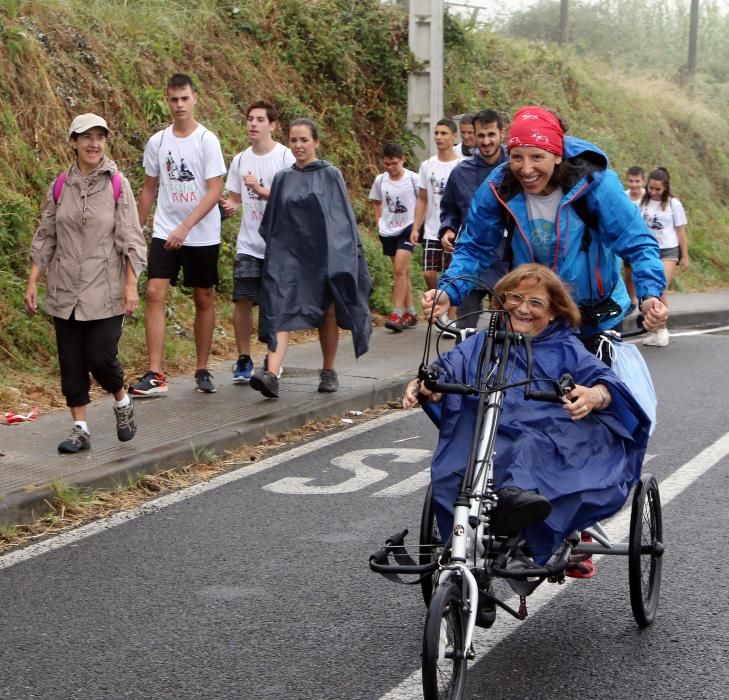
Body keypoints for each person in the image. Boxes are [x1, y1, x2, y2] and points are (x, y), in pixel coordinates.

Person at [404, 264, 652, 577]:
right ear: (500, 301)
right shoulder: (483, 343)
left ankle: (519, 514)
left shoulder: (566, 346)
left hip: (547, 435)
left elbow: (604, 382)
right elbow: (447, 367)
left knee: (528, 447)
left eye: (536, 302)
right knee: (453, 470)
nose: (523, 308)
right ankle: (469, 569)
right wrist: (425, 384)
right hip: (485, 435)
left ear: (553, 313)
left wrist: (594, 395)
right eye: (515, 297)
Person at [423, 106, 668, 356]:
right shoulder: (500, 185)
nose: (526, 169)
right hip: (534, 313)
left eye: (537, 157)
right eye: (517, 157)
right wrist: (448, 290)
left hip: (594, 313)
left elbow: (638, 243)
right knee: (524, 392)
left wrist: (650, 295)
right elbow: (475, 246)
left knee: (596, 392)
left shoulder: (596, 184)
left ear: (557, 155)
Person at [24, 114, 147, 453]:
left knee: (100, 357)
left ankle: (121, 401)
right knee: (72, 362)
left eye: (100, 137)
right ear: (74, 142)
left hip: (105, 288)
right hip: (64, 288)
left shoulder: (117, 184)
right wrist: (34, 280)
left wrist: (131, 284)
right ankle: (80, 428)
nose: (94, 143)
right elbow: (46, 234)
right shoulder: (60, 185)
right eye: (86, 136)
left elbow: (131, 238)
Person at [248, 118, 372, 399]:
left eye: (304, 140)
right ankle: (271, 373)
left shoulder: (330, 175)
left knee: (326, 310)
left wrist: (342, 258)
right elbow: (274, 222)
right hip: (289, 258)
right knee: (279, 306)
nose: (299, 145)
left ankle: (328, 370)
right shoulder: (282, 178)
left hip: (324, 255)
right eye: (293, 140)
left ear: (316, 142)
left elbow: (341, 220)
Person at [129, 73, 226, 396]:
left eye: (185, 98)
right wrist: (135, 231)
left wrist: (186, 228)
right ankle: (155, 373)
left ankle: (201, 367)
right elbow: (148, 189)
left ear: (195, 98)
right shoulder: (158, 142)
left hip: (201, 233)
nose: (180, 105)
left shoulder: (206, 140)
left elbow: (214, 190)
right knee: (155, 292)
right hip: (164, 231)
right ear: (167, 100)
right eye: (174, 99)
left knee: (203, 297)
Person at [219, 100, 295, 383]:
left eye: (260, 119)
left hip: (278, 245)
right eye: (250, 119)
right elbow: (236, 199)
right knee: (242, 300)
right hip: (248, 244)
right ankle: (243, 358)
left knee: (274, 304)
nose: (253, 124)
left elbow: (291, 200)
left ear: (272, 125)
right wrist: (226, 207)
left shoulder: (286, 158)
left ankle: (272, 359)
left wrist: (261, 190)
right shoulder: (240, 159)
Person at [439, 109, 508, 328]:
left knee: (508, 334)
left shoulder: (517, 169)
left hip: (510, 263)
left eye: (491, 135)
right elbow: (449, 209)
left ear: (501, 134)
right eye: (481, 135)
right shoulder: (461, 173)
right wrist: (448, 229)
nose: (486, 141)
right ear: (472, 136)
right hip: (473, 259)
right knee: (464, 330)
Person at [410, 118, 461, 327]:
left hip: (453, 229)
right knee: (429, 272)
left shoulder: (461, 166)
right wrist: (416, 227)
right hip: (432, 229)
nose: (439, 137)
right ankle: (440, 307)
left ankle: (451, 315)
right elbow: (422, 198)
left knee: (451, 274)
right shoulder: (427, 165)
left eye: (444, 133)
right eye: (437, 133)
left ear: (454, 137)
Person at [368, 142, 419, 332]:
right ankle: (411, 312)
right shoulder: (380, 180)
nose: (390, 168)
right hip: (388, 229)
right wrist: (379, 221)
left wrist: (418, 226)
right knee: (402, 272)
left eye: (394, 164)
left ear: (403, 160)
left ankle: (396, 313)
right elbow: (376, 202)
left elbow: (423, 200)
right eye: (386, 164)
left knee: (399, 270)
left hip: (408, 228)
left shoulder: (413, 179)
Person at [639, 167, 689, 347]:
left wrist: (685, 256)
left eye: (657, 189)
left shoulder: (673, 203)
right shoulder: (643, 202)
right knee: (649, 291)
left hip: (668, 250)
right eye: (651, 188)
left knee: (659, 288)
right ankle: (654, 329)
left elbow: (680, 231)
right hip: (647, 251)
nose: (653, 192)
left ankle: (662, 328)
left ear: (665, 187)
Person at [621, 165, 646, 311]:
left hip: (645, 241)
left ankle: (646, 299)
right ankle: (632, 299)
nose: (634, 185)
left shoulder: (648, 198)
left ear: (643, 181)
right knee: (629, 273)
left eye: (637, 181)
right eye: (631, 181)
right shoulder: (623, 197)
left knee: (644, 271)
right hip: (629, 240)